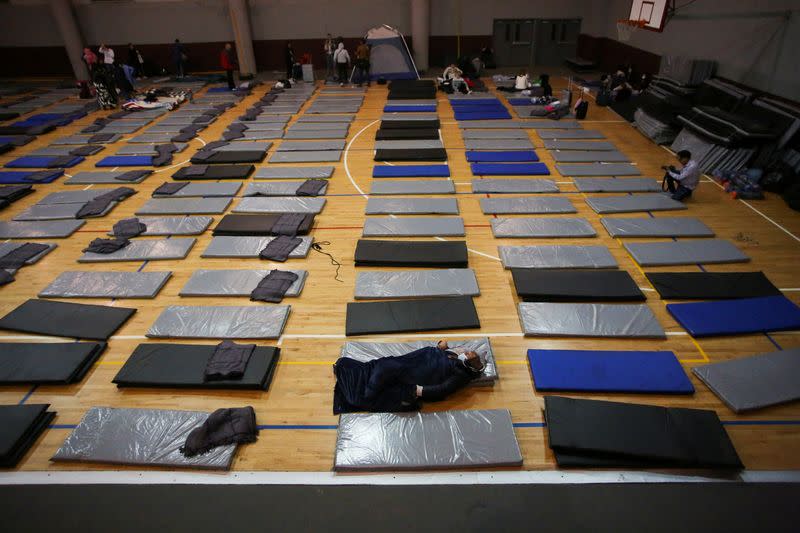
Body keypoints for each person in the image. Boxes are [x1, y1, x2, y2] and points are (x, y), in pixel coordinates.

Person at [333, 341, 486, 413]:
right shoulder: (456, 356)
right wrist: (440, 348)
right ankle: (360, 381)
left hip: (416, 373)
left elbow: (442, 390)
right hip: (411, 362)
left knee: (385, 369)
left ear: (470, 364)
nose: (466, 352)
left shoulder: (461, 375)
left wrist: (418, 390)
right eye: (468, 352)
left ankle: (366, 395)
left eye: (469, 355)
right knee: (383, 366)